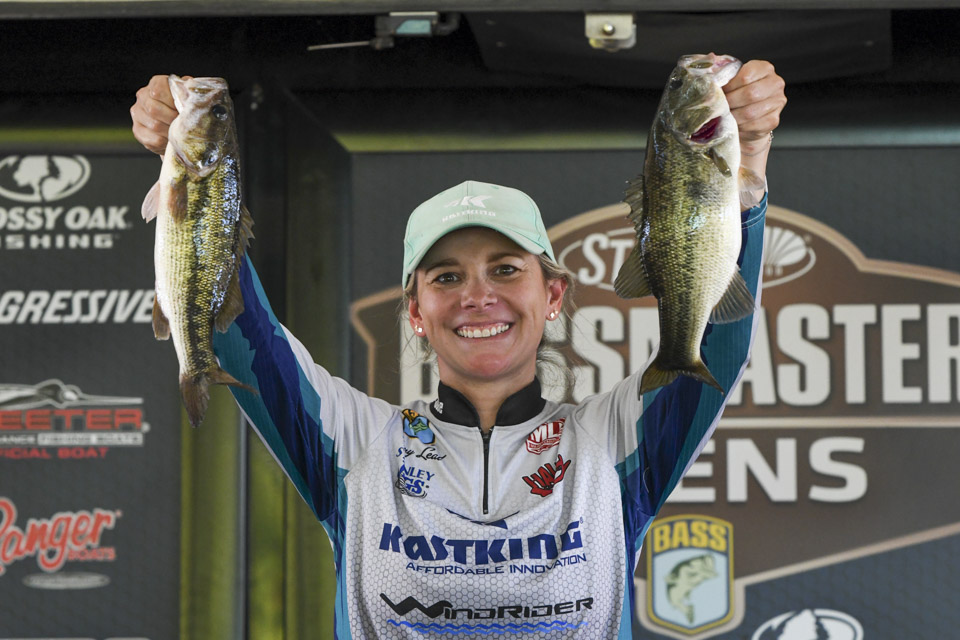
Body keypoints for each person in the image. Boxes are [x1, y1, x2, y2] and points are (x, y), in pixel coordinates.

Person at [131, 58, 786, 639]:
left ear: (553, 296)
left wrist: (746, 167)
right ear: (416, 311)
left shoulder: (612, 445)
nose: (478, 295)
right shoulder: (358, 445)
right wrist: (187, 170)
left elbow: (713, 344)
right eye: (446, 277)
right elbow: (242, 336)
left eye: (506, 269)